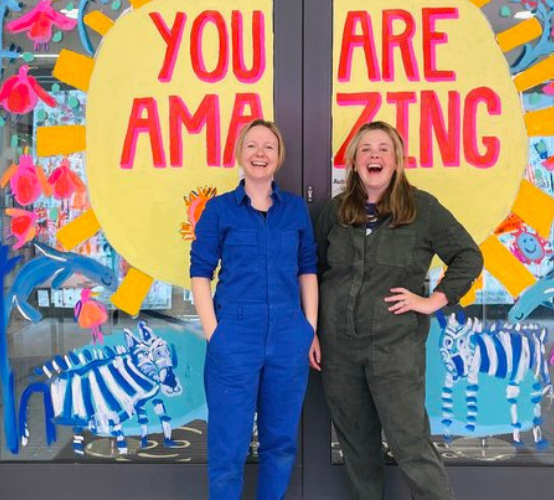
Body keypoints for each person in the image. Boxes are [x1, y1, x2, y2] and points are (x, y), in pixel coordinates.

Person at [314, 121, 483, 500]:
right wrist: (312, 330)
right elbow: (315, 270)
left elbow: (468, 256)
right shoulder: (335, 212)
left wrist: (433, 301)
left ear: (396, 160)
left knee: (411, 444)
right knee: (358, 450)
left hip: (395, 350)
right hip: (339, 351)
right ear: (354, 161)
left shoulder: (422, 209)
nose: (374, 155)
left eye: (383, 149)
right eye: (366, 149)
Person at [190, 119, 318, 500]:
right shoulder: (219, 210)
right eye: (252, 146)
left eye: (268, 147)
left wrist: (308, 329)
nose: (260, 153)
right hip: (234, 335)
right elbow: (200, 273)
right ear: (240, 154)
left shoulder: (294, 210)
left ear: (279, 157)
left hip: (288, 336)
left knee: (280, 444)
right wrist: (215, 334)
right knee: (228, 447)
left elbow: (307, 269)